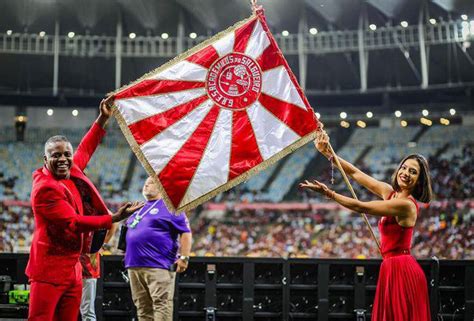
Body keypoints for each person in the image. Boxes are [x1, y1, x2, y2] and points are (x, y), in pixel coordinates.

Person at [26, 96, 144, 321]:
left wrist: (101, 120)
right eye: (56, 155)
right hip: (48, 271)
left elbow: (86, 149)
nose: (63, 159)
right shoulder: (45, 188)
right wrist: (113, 218)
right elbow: (74, 222)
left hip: (73, 267)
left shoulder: (70, 170)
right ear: (45, 159)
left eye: (66, 155)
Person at [300, 130, 432, 321]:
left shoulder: (406, 205)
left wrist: (330, 194)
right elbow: (354, 173)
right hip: (391, 267)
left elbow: (361, 206)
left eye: (413, 172)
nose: (406, 173)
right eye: (404, 168)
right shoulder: (390, 193)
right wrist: (328, 153)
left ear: (419, 181)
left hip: (402, 270)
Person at [124, 177, 192, 321]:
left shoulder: (171, 207)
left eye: (152, 182)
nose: (147, 184)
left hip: (158, 264)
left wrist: (184, 257)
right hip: (134, 265)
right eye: (145, 183)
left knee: (161, 304)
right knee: (142, 306)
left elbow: (186, 232)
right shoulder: (139, 209)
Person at [79, 224, 118, 321]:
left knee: (87, 311)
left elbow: (114, 221)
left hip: (87, 266)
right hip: (71, 266)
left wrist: (102, 244)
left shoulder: (94, 210)